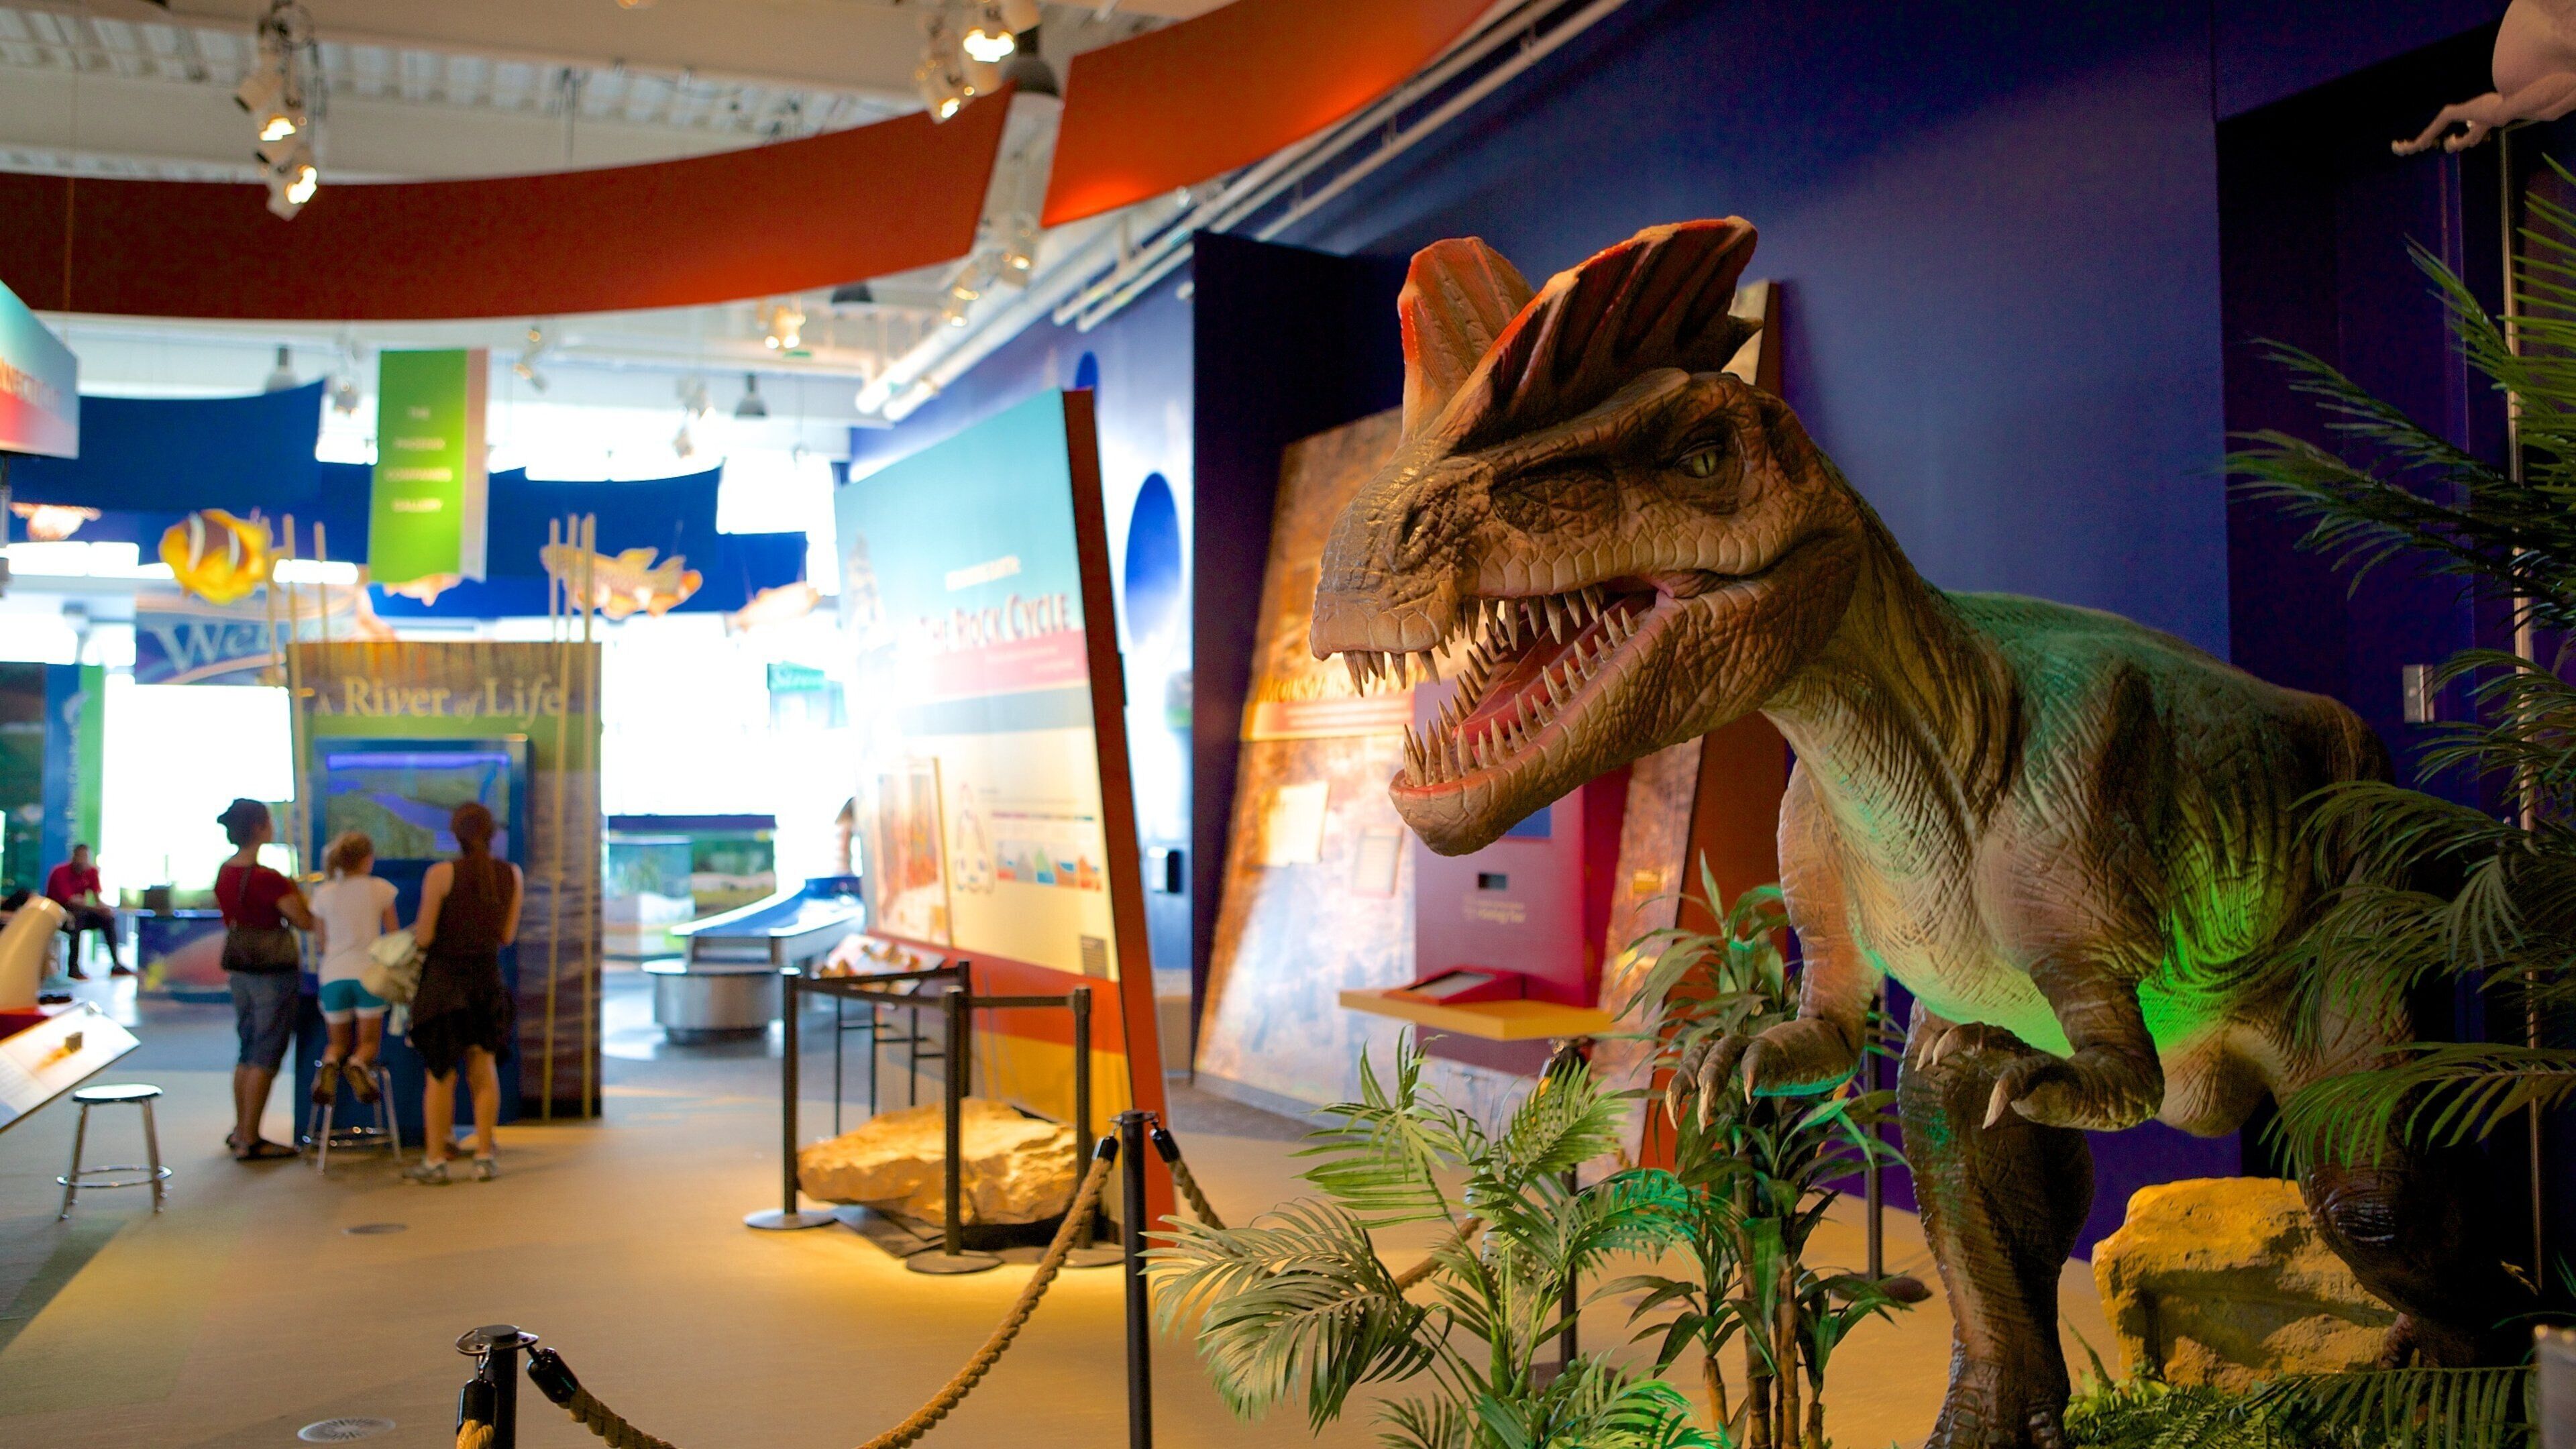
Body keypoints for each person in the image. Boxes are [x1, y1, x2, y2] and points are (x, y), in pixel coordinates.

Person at [405, 800, 520, 1184]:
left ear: (455, 834)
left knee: (440, 1075)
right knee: (483, 1068)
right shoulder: (510, 875)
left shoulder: (441, 874)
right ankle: (485, 1156)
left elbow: (424, 936)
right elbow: (507, 935)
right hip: (487, 981)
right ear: (492, 834)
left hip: (444, 984)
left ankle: (436, 1161)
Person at [213, 798, 312, 1162]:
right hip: (273, 971)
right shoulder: (270, 879)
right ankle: (251, 1139)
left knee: (247, 1047)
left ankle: (241, 1130)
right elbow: (304, 920)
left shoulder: (226, 872)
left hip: (240, 969)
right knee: (267, 1052)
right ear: (258, 827)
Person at [308, 831, 397, 1106]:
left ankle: (331, 1062)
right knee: (369, 1042)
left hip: (333, 976)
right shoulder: (381, 889)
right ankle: (359, 1064)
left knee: (337, 1043)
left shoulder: (323, 894)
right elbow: (393, 937)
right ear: (367, 859)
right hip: (369, 976)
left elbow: (321, 943)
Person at [44, 843, 126, 978]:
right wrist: (95, 908)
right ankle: (73, 968)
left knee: (108, 918)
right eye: (79, 856)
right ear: (73, 857)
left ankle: (116, 964)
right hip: (59, 915)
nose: (82, 860)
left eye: (85, 857)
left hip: (80, 913)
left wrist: (103, 909)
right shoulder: (59, 872)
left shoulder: (92, 872)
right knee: (77, 919)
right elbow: (70, 902)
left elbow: (97, 899)